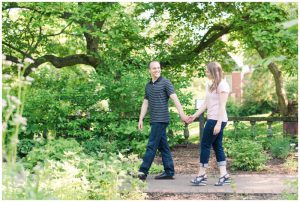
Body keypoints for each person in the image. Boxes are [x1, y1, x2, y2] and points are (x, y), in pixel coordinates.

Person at [137, 61, 188, 181]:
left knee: (151, 145)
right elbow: (145, 103)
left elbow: (175, 98)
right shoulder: (148, 85)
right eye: (154, 68)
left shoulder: (165, 82)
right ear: (149, 70)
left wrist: (182, 115)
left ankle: (143, 172)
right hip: (154, 119)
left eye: (158, 68)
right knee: (163, 146)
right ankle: (169, 171)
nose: (157, 70)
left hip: (161, 119)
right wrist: (141, 119)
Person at [186, 62, 231, 186]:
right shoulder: (210, 85)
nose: (206, 73)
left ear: (213, 71)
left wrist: (218, 124)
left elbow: (222, 106)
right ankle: (224, 175)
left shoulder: (223, 85)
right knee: (217, 146)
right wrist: (194, 115)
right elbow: (205, 104)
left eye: (207, 71)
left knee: (205, 145)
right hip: (212, 119)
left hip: (217, 120)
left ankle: (202, 175)